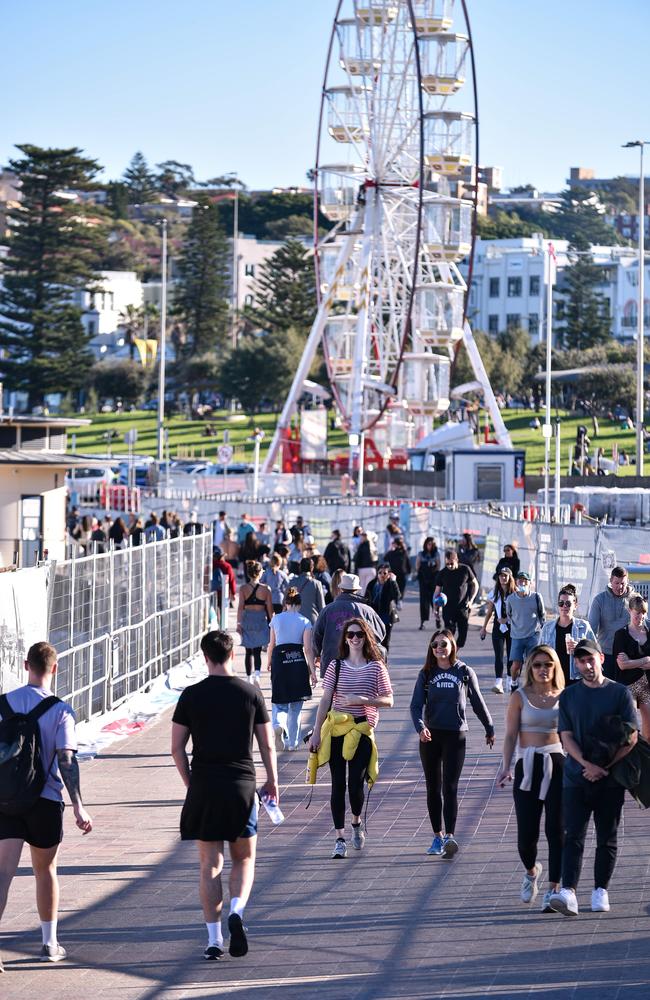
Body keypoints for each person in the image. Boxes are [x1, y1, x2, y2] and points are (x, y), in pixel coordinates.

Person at [171, 630, 278, 960]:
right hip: (241, 785)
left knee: (209, 865)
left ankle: (214, 939)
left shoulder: (191, 695)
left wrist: (191, 782)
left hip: (204, 784)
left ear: (205, 657)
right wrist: (272, 780)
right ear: (233, 654)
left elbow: (176, 748)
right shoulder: (251, 692)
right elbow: (266, 743)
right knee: (244, 859)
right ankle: (237, 911)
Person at [0, 642, 93, 969]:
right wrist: (79, 805)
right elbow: (67, 759)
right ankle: (50, 943)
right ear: (55, 668)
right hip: (45, 800)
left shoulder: (3, 704)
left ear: (26, 665)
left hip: (6, 801)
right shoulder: (61, 710)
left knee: (2, 873)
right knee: (45, 870)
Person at [549, 638, 637, 917]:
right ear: (575, 663)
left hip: (610, 780)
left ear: (601, 657)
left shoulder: (620, 693)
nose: (587, 665)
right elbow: (566, 737)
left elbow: (631, 737)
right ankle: (569, 891)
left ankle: (601, 889)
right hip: (576, 778)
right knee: (573, 834)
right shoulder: (569, 696)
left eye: (591, 659)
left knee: (606, 836)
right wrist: (586, 764)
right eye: (581, 660)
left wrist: (605, 766)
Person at [309, 618, 393, 859]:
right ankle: (339, 838)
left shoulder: (376, 667)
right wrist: (316, 731)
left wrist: (363, 701)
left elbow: (389, 699)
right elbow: (325, 699)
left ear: (366, 637)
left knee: (355, 785)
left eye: (359, 635)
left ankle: (356, 822)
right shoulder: (335, 666)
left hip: (362, 730)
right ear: (345, 639)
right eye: (350, 635)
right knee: (337, 785)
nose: (355, 639)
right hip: (336, 729)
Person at [409, 629, 494, 859]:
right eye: (435, 645)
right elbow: (416, 705)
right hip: (430, 736)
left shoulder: (464, 672)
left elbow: (477, 701)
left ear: (452, 646)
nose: (439, 648)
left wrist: (489, 727)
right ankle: (437, 836)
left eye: (443, 644)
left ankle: (450, 836)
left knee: (450, 787)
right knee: (433, 787)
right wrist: (420, 727)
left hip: (456, 735)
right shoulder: (426, 674)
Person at [496, 645, 565, 912]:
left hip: (557, 764)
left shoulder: (565, 695)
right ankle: (532, 871)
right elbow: (511, 735)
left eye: (548, 664)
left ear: (555, 666)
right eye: (537, 665)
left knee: (556, 831)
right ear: (529, 669)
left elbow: (571, 733)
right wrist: (506, 766)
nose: (542, 669)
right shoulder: (519, 696)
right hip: (527, 766)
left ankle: (554, 889)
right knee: (526, 836)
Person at [266, 588, 316, 751]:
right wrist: (313, 672)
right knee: (295, 706)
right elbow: (308, 649)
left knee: (280, 701)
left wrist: (268, 661)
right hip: (297, 661)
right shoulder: (305, 621)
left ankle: (279, 724)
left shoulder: (276, 619)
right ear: (299, 605)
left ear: (285, 604)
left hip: (279, 659)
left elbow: (271, 644)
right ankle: (292, 743)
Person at [312, 573, 386, 680]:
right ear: (356, 590)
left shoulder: (328, 609)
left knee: (333, 694)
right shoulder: (366, 610)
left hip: (332, 662)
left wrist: (317, 653)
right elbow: (380, 633)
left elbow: (316, 635)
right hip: (359, 662)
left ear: (341, 588)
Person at [540, 585, 596, 688]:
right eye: (561, 603)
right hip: (553, 679)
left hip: (577, 679)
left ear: (575, 605)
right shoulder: (547, 628)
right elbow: (539, 654)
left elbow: (596, 652)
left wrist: (580, 647)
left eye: (568, 603)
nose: (564, 606)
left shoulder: (584, 626)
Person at [613, 594, 650, 740]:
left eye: (643, 613)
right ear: (629, 611)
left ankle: (646, 757)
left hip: (647, 685)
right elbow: (622, 665)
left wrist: (632, 662)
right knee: (630, 728)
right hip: (627, 685)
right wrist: (645, 660)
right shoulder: (621, 635)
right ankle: (629, 757)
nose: (640, 617)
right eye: (637, 613)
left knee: (649, 726)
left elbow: (628, 663)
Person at [588, 566, 635, 680]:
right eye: (616, 583)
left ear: (627, 582)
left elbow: (643, 626)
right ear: (610, 581)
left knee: (626, 694)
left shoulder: (635, 600)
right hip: (605, 654)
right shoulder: (599, 600)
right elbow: (591, 630)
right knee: (604, 691)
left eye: (623, 583)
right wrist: (592, 654)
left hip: (628, 656)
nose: (620, 586)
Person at [433, 550, 479, 650]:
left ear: (456, 560)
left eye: (451, 563)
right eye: (447, 564)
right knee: (449, 633)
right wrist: (435, 607)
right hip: (448, 608)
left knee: (462, 636)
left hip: (463, 607)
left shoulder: (465, 569)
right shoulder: (442, 573)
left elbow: (476, 584)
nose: (449, 566)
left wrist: (471, 600)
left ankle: (454, 652)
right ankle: (451, 655)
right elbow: (436, 592)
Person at [236, 561, 273, 684]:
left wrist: (239, 624)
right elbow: (270, 610)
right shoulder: (266, 589)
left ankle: (248, 677)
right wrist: (272, 625)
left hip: (247, 620)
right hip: (260, 620)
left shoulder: (243, 588)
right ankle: (257, 674)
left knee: (248, 650)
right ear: (260, 573)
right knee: (257, 650)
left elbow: (240, 607)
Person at [480, 567, 515, 693]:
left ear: (510, 577)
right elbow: (489, 611)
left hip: (512, 627)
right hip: (498, 627)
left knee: (512, 655)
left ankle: (510, 680)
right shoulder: (495, 592)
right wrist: (484, 627)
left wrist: (508, 620)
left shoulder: (515, 593)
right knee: (499, 656)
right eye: (501, 576)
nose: (503, 578)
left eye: (505, 576)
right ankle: (498, 682)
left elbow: (519, 612)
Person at [506, 572, 545, 685]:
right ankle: (514, 683)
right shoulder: (511, 599)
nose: (522, 583)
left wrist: (541, 630)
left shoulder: (536, 597)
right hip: (517, 636)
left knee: (533, 663)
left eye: (525, 581)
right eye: (520, 580)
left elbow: (542, 615)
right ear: (516, 582)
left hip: (533, 636)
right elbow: (509, 614)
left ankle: (531, 686)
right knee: (516, 665)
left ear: (529, 583)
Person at [364, 563, 401, 653]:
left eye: (385, 573)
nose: (382, 575)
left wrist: (393, 581)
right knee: (373, 639)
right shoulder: (372, 584)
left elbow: (397, 595)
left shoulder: (391, 584)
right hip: (374, 614)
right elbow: (366, 598)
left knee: (385, 640)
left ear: (389, 574)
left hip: (386, 615)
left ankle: (384, 659)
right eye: (380, 572)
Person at [290, 558, 326, 625]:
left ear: (300, 567)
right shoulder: (316, 584)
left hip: (295, 619)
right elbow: (322, 606)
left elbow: (290, 600)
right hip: (311, 620)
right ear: (312, 568)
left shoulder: (293, 582)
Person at [416, 537, 441, 630]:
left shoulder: (436, 554)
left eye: (432, 544)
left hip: (433, 579)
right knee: (423, 601)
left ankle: (437, 618)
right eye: (428, 544)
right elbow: (417, 566)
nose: (430, 546)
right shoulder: (421, 554)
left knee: (434, 600)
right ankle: (422, 622)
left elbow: (438, 566)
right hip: (423, 580)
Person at [384, 537, 410, 601]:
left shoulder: (404, 552)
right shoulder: (391, 552)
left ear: (398, 544)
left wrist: (409, 570)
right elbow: (385, 558)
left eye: (394, 543)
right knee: (393, 587)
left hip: (402, 573)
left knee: (401, 588)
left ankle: (399, 600)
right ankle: (396, 601)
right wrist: (390, 550)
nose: (393, 544)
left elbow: (407, 562)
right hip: (393, 573)